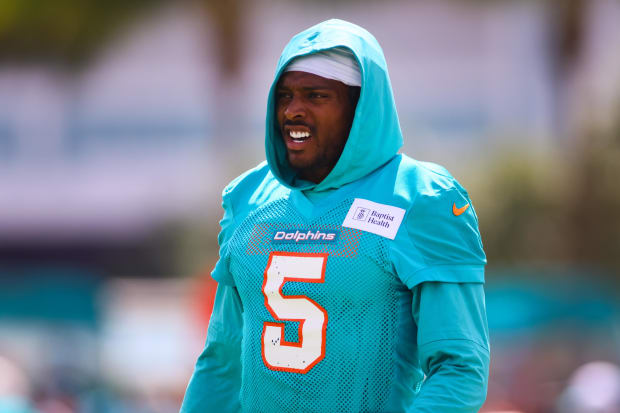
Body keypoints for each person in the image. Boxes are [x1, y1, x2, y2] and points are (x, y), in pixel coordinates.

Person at [181, 19, 489, 413]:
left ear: (359, 109)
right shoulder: (249, 198)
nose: (293, 110)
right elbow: (222, 363)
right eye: (286, 95)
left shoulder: (422, 198)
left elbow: (460, 366)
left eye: (316, 95)